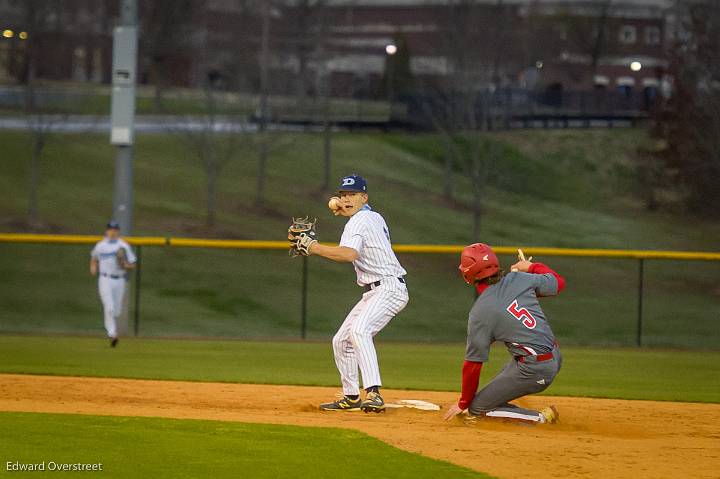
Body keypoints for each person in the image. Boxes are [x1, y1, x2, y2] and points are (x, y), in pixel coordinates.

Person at [293, 174, 409, 413]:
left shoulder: (359, 221)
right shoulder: (372, 216)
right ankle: (351, 396)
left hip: (388, 288)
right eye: (343, 195)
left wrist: (313, 247)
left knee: (359, 331)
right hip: (377, 291)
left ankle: (374, 394)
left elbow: (348, 254)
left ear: (364, 197)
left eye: (352, 195)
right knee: (341, 341)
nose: (345, 200)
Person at [443, 243, 565, 424]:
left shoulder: (481, 312)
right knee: (493, 391)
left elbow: (473, 365)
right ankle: (507, 410)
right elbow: (558, 283)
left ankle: (541, 418)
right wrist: (531, 267)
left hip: (534, 369)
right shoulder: (520, 279)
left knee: (476, 408)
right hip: (554, 355)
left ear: (468, 274)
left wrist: (464, 402)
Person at [90, 221, 136, 347]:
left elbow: (132, 263)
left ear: (118, 231)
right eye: (110, 229)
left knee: (116, 311)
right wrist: (93, 268)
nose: (112, 231)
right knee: (109, 307)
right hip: (105, 279)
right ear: (106, 231)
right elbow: (94, 259)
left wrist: (126, 265)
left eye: (115, 229)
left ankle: (112, 330)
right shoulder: (100, 245)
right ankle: (112, 334)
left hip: (120, 280)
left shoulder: (123, 246)